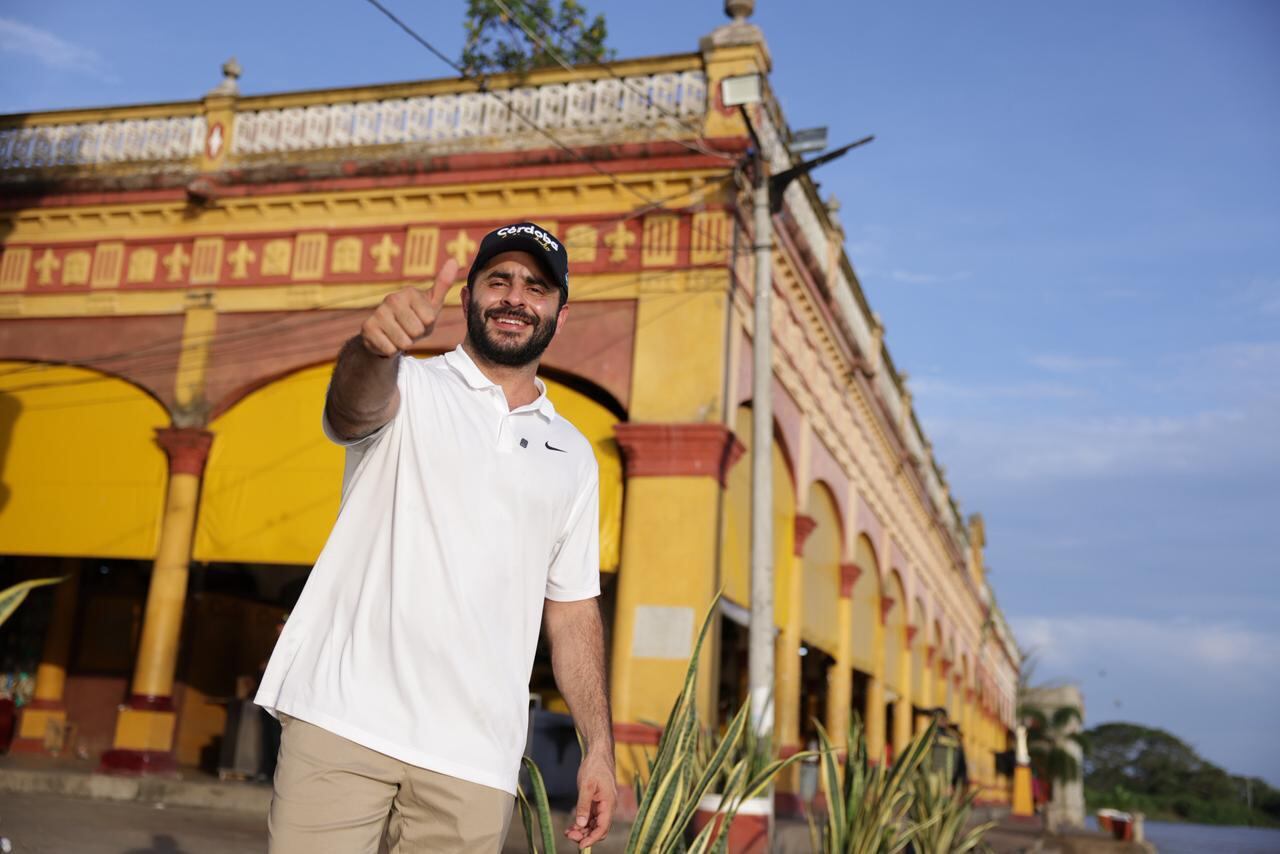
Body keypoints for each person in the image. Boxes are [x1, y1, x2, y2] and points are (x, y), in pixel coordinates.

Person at [255, 222, 615, 853]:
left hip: (475, 761)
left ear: (561, 310)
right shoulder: (409, 386)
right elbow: (352, 410)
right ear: (467, 294)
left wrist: (599, 748)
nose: (514, 297)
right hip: (344, 721)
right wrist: (372, 348)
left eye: (535, 286)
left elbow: (572, 611)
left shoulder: (574, 456)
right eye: (497, 280)